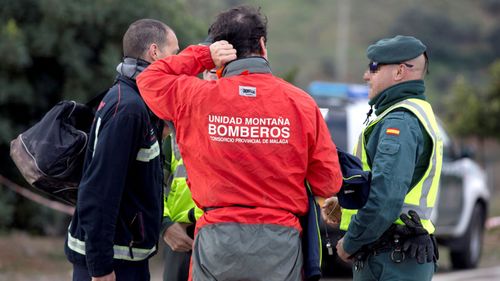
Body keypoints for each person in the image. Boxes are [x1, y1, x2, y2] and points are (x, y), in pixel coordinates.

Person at [137, 5, 343, 280]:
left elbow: (148, 78)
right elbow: (327, 182)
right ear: (262, 45)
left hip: (216, 242)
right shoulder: (301, 103)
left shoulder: (194, 97)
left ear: (220, 49)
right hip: (280, 243)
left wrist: (202, 57)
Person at [64, 19, 179, 281]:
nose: (178, 62)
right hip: (113, 264)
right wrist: (101, 267)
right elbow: (99, 191)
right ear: (154, 52)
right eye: (174, 53)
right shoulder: (128, 110)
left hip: (128, 258)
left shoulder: (135, 101)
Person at [323, 35, 443, 281]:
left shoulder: (399, 122)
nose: (367, 75)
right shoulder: (402, 114)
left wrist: (351, 242)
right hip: (393, 256)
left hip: (392, 259)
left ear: (399, 72)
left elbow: (385, 197)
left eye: (374, 67)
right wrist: (344, 202)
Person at [160, 68, 216, 281]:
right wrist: (164, 225)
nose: (213, 76)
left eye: (220, 70)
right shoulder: (175, 126)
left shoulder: (238, 126)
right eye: (209, 70)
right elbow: (153, 183)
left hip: (222, 234)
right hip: (180, 236)